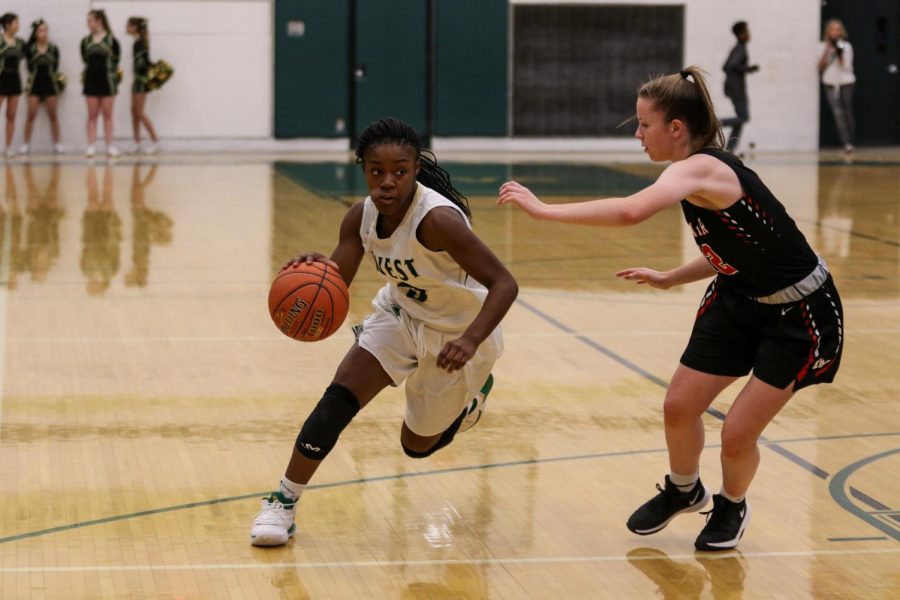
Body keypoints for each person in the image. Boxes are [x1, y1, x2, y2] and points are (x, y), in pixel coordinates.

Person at [498, 66, 844, 551]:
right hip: (737, 296)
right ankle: (685, 489)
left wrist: (544, 209)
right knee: (679, 406)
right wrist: (670, 277)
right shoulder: (694, 175)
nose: (638, 135)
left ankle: (731, 506)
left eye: (643, 125)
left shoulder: (702, 167)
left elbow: (629, 211)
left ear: (675, 128)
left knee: (737, 434)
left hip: (799, 313)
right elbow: (736, 250)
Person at [249, 117, 518, 547]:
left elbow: (505, 284)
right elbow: (336, 278)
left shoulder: (439, 221)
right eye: (377, 171)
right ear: (364, 170)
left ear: (415, 170)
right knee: (338, 398)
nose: (387, 182)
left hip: (460, 334)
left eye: (400, 171)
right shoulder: (362, 216)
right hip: (400, 315)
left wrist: (470, 342)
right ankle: (283, 501)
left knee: (416, 446)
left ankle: (471, 398)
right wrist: (315, 269)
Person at [81, 9, 121, 158]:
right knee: (92, 115)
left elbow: (116, 59)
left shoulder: (111, 40)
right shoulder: (85, 42)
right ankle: (91, 145)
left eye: (90, 20)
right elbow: (85, 58)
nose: (88, 23)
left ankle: (109, 145)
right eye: (88, 21)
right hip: (91, 80)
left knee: (108, 115)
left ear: (99, 21)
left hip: (107, 81)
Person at [22, 19, 63, 155]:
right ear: (35, 33)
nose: (44, 33)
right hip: (35, 83)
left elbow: (56, 66)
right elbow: (28, 67)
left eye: (45, 30)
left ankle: (57, 144)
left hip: (50, 83)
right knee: (30, 115)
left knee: (53, 116)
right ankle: (25, 144)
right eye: (40, 30)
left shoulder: (53, 48)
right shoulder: (31, 49)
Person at [818, 19, 855, 154]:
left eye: (837, 29)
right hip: (830, 82)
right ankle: (846, 144)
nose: (835, 32)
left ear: (841, 32)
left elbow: (847, 67)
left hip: (846, 82)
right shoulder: (822, 46)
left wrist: (840, 54)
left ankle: (851, 139)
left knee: (847, 112)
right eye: (832, 29)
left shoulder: (846, 46)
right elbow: (820, 66)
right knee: (837, 113)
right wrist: (828, 51)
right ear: (828, 32)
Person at [721, 21, 759, 154]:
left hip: (733, 86)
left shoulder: (737, 48)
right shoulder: (740, 49)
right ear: (741, 34)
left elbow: (725, 66)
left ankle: (730, 149)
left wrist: (745, 69)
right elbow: (731, 66)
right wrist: (748, 68)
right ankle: (718, 123)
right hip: (736, 88)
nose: (749, 34)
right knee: (744, 117)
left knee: (740, 118)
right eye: (747, 31)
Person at [126, 17, 159, 155]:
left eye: (129, 25)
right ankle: (136, 142)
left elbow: (143, 64)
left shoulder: (140, 43)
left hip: (141, 81)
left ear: (135, 27)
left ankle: (154, 140)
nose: (126, 27)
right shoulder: (139, 42)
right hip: (137, 80)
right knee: (134, 112)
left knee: (139, 112)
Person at [0, 13, 25, 159]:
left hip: (14, 78)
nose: (18, 25)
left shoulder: (20, 42)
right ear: (8, 25)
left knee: (11, 115)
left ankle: (8, 147)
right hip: (1, 77)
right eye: (16, 23)